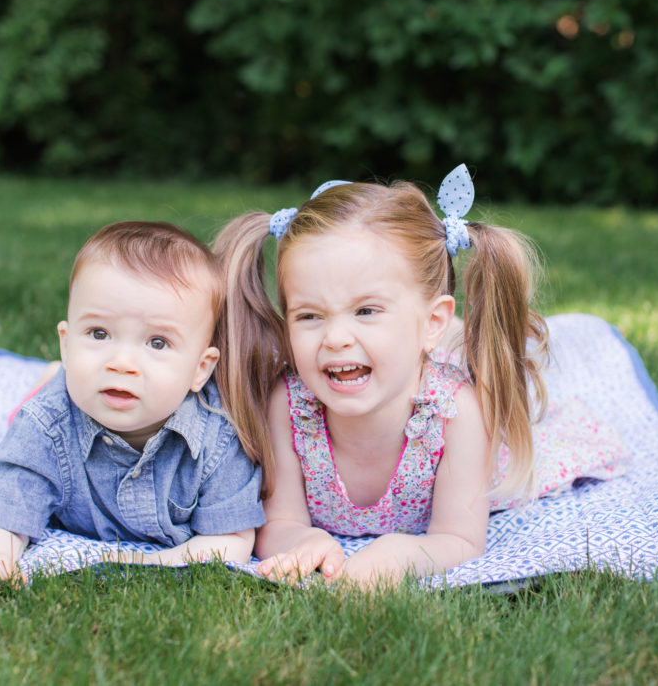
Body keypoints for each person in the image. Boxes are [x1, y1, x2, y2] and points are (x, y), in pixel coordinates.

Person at [213, 164, 550, 586]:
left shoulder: (454, 413)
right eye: (309, 315)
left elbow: (460, 538)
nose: (335, 338)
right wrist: (304, 542)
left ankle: (447, 336)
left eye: (366, 311)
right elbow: (279, 521)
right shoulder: (290, 405)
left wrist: (401, 553)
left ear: (432, 321)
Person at [0, 221, 264, 593]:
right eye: (99, 334)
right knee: (31, 409)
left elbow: (230, 540)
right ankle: (51, 377)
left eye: (157, 343)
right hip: (57, 401)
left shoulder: (219, 435)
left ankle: (54, 373)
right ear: (66, 344)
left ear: (201, 369)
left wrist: (147, 566)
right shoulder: (46, 424)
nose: (122, 362)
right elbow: (5, 503)